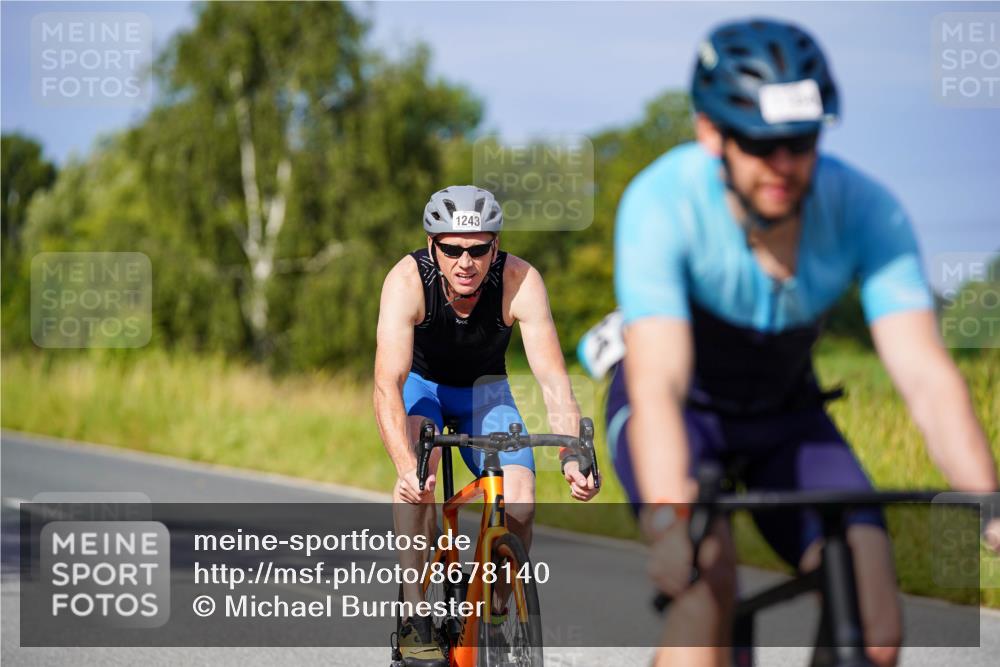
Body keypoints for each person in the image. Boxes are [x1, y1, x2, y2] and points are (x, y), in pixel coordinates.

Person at [578, 18, 1000, 667]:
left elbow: (925, 375)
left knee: (876, 625)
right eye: (759, 142)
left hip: (785, 414)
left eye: (800, 141)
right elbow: (658, 385)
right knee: (705, 593)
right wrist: (668, 523)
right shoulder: (662, 203)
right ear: (711, 133)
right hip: (681, 410)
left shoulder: (867, 208)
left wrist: (986, 498)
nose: (783, 164)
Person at [374, 185, 599, 665]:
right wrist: (403, 465)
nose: (465, 262)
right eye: (452, 249)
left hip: (485, 395)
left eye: (478, 249)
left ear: (495, 246)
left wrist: (572, 455)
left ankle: (497, 609)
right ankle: (417, 615)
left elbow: (553, 379)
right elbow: (386, 384)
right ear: (433, 245)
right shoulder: (406, 281)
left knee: (519, 494)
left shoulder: (521, 280)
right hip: (424, 390)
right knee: (418, 477)